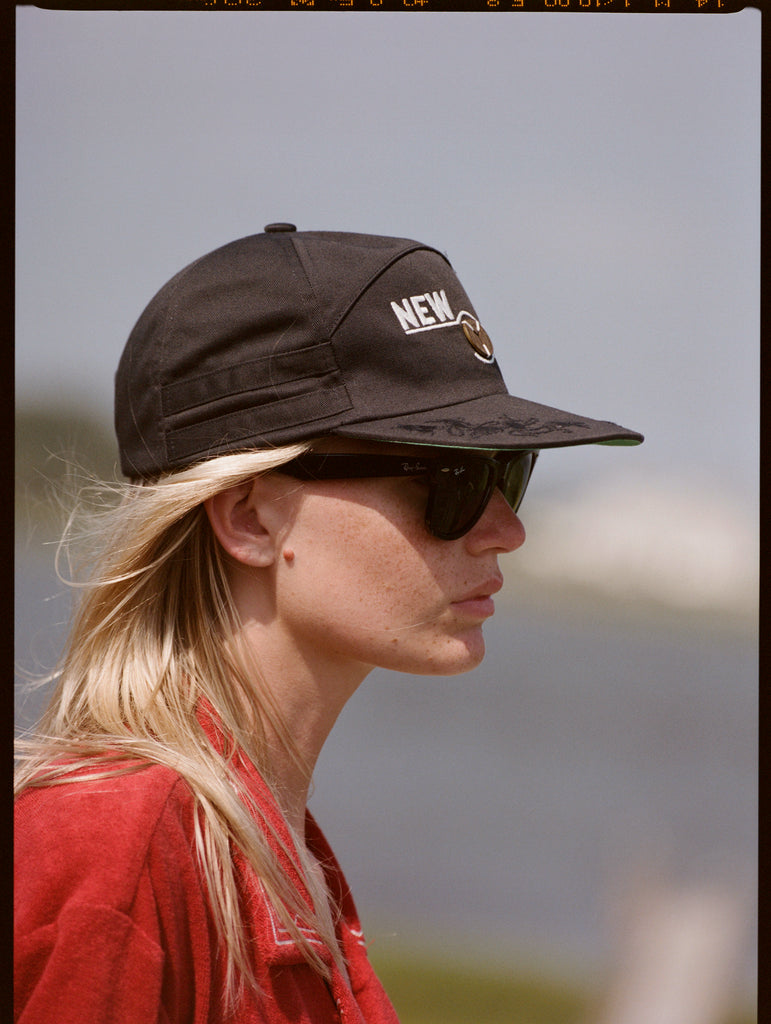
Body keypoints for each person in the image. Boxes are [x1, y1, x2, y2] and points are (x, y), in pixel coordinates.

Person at [14, 223, 643, 1024]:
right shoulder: (113, 851)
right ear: (249, 517)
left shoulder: (273, 847)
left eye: (505, 472)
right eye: (448, 477)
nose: (505, 529)